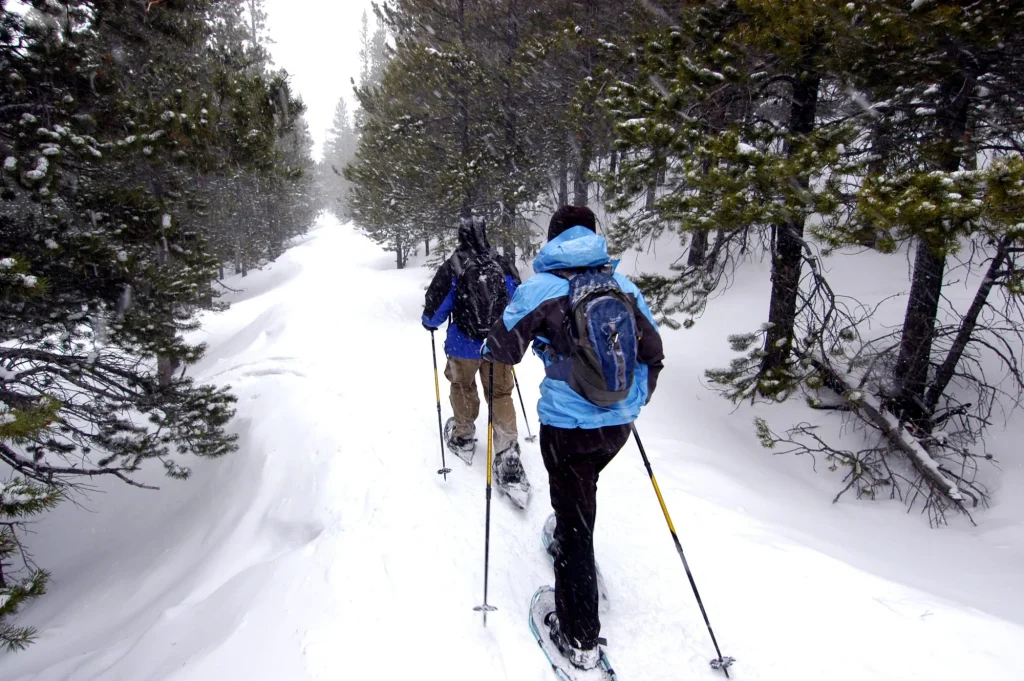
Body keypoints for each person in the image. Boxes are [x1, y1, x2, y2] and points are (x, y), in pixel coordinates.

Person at [484, 205, 664, 670]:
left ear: (554, 238)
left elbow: (502, 348)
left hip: (568, 428)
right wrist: (632, 401)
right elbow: (653, 352)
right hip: (618, 428)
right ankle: (572, 535)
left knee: (574, 522)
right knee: (583, 491)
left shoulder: (542, 288)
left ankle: (579, 636)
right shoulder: (622, 286)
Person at [422, 216, 530, 500]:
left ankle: (463, 434)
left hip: (463, 345)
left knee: (462, 387)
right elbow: (519, 301)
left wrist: (430, 322)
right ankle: (507, 451)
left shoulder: (454, 266)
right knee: (501, 393)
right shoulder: (502, 263)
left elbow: (434, 313)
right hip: (497, 344)